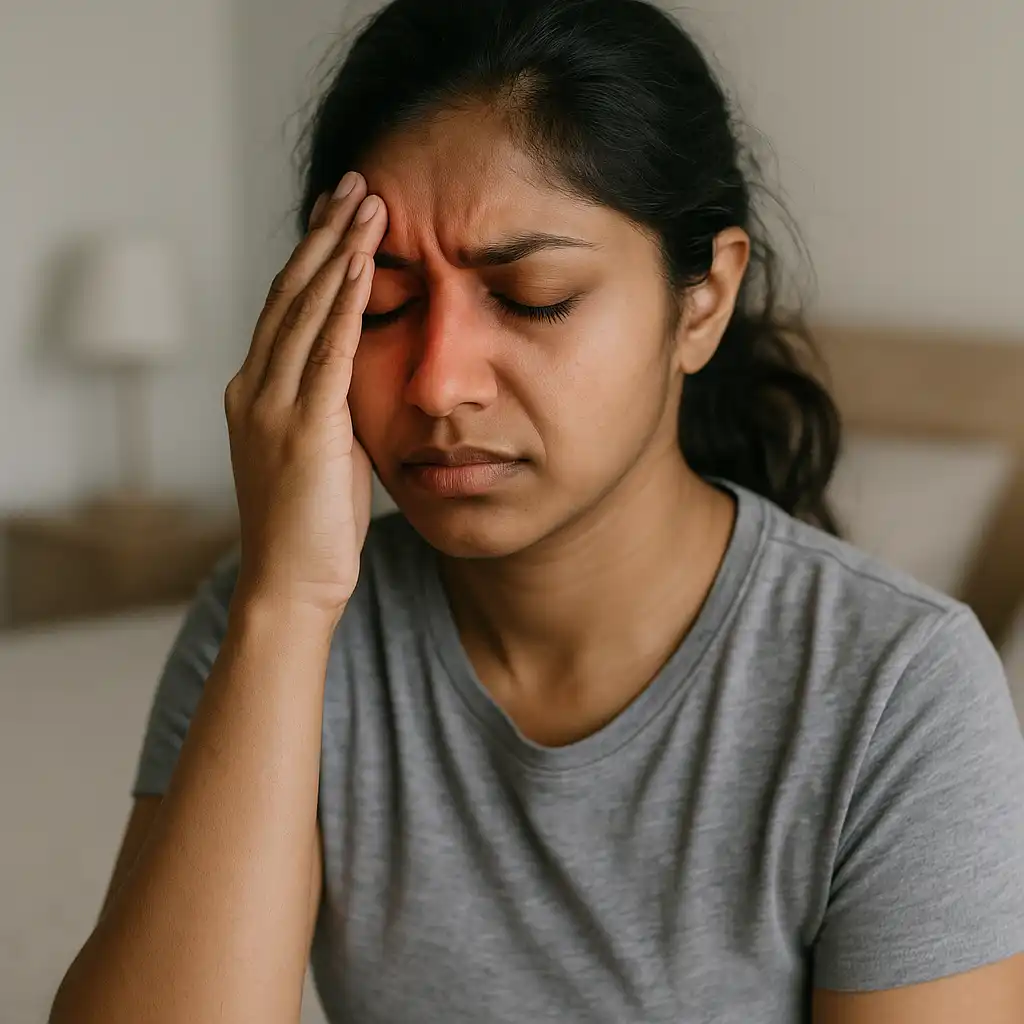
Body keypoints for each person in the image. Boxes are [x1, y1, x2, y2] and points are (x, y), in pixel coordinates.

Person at [50, 1, 1024, 1021]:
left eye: (533, 295)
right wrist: (286, 606)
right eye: (381, 301)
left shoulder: (894, 693)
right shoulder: (268, 624)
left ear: (702, 300)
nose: (437, 384)